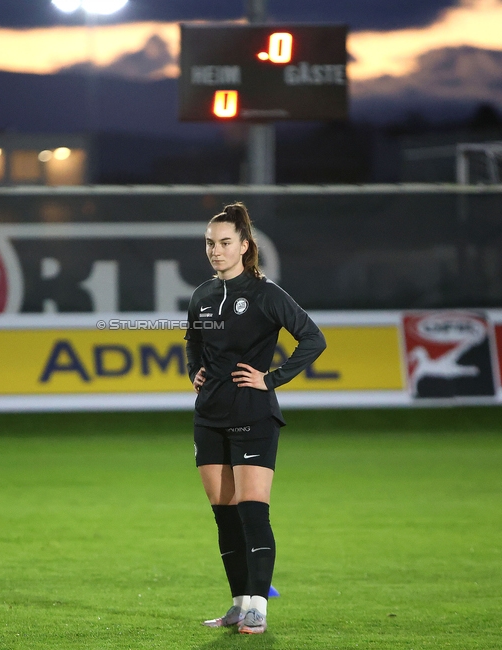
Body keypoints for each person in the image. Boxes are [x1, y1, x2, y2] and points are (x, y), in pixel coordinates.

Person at [185, 202, 326, 635]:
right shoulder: (202, 295)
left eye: (225, 243)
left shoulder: (265, 294)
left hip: (253, 416)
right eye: (210, 243)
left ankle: (258, 610)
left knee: (252, 513)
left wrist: (273, 378)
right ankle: (238, 604)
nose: (216, 250)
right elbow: (192, 341)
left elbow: (313, 338)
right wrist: (196, 371)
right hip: (209, 416)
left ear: (245, 246)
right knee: (224, 516)